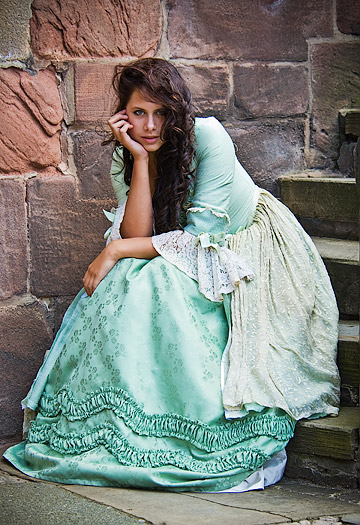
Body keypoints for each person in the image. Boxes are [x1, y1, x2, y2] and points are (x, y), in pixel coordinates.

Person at [4, 58, 340, 492]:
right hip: (179, 250)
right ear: (123, 115)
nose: (149, 126)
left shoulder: (209, 138)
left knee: (148, 277)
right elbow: (141, 233)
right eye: (139, 113)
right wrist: (140, 162)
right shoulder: (127, 156)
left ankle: (186, 425)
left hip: (243, 244)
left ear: (177, 111)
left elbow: (200, 239)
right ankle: (117, 424)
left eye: (161, 113)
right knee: (128, 278)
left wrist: (117, 249)